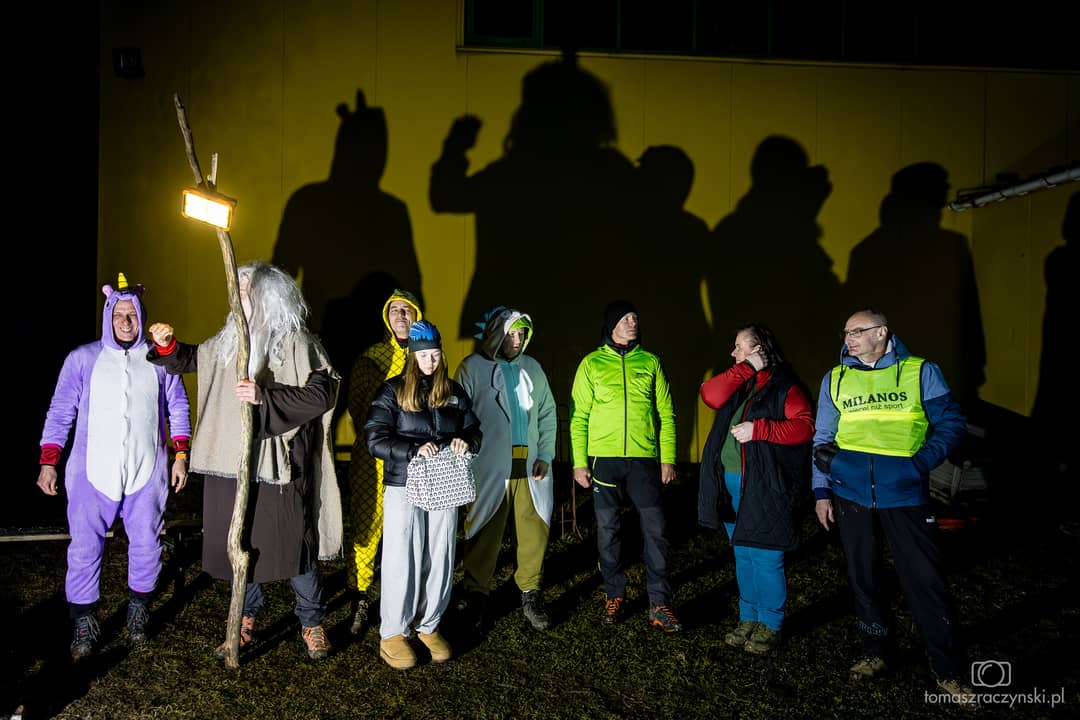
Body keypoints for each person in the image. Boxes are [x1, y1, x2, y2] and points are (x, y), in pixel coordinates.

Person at [147, 261, 342, 662]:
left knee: (295, 541)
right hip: (232, 462)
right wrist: (167, 346)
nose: (237, 293)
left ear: (268, 294)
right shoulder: (228, 340)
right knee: (241, 539)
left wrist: (264, 398)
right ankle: (244, 616)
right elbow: (188, 360)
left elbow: (321, 394)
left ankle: (311, 621)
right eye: (235, 286)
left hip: (280, 463)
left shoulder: (296, 341)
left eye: (245, 286)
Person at [812, 308, 975, 704]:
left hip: (904, 494)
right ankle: (876, 651)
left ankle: (949, 670)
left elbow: (951, 423)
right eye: (845, 332)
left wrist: (919, 464)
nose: (847, 339)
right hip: (850, 495)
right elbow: (822, 438)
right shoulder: (835, 378)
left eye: (857, 331)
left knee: (925, 581)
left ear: (882, 332)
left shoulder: (921, 371)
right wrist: (821, 491)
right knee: (864, 578)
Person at [38, 273, 191, 661]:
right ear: (108, 316)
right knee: (84, 548)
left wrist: (180, 455)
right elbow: (60, 410)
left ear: (142, 317)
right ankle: (84, 622)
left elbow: (177, 406)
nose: (126, 322)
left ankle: (138, 609)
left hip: (146, 469)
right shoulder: (82, 358)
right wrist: (49, 462)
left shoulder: (159, 360)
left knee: (147, 544)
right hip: (91, 471)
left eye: (132, 315)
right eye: (119, 315)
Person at [365, 319, 482, 669]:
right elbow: (375, 438)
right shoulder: (392, 391)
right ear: (413, 356)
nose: (430, 361)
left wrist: (466, 441)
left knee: (441, 552)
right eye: (423, 355)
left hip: (444, 483)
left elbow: (474, 428)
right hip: (405, 483)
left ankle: (429, 624)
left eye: (435, 354)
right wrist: (412, 450)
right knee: (403, 554)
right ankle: (393, 632)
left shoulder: (454, 392)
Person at [698, 324, 813, 654]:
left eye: (740, 346)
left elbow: (805, 426)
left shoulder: (785, 386)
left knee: (765, 555)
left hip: (762, 485)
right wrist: (747, 367)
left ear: (760, 348)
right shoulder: (742, 383)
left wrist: (760, 430)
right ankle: (748, 617)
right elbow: (710, 395)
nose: (733, 353)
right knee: (742, 553)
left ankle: (770, 623)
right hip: (730, 483)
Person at [570, 300, 681, 633]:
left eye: (635, 317)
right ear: (612, 324)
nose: (633, 322)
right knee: (608, 531)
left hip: (644, 461)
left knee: (656, 531)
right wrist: (579, 463)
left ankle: (659, 603)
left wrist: (667, 458)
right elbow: (579, 416)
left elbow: (666, 414)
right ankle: (614, 595)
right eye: (626, 318)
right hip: (603, 461)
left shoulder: (650, 362)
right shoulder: (591, 364)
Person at [455, 307, 557, 633]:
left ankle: (530, 591)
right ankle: (476, 595)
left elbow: (547, 413)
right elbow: (459, 414)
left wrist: (545, 454)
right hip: (490, 467)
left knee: (533, 529)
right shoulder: (472, 368)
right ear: (496, 334)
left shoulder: (533, 368)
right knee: (483, 528)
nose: (517, 340)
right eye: (511, 333)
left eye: (521, 334)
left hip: (530, 466)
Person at [345, 288, 422, 636]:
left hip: (415, 457)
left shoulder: (427, 355)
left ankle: (402, 598)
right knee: (367, 524)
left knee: (407, 528)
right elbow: (358, 405)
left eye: (407, 310)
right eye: (395, 311)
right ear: (386, 317)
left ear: (416, 315)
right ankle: (360, 595)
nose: (401, 316)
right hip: (373, 457)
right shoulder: (372, 357)